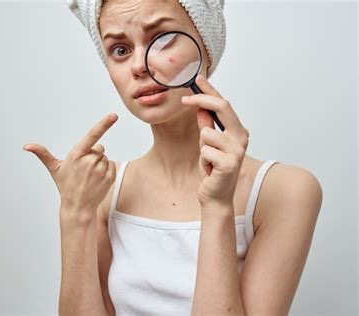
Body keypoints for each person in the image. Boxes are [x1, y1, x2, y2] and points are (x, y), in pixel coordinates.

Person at [24, 0, 323, 315]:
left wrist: (218, 206)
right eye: (120, 50)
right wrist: (75, 214)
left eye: (162, 38)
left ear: (205, 45)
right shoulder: (102, 190)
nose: (139, 65)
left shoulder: (286, 191)